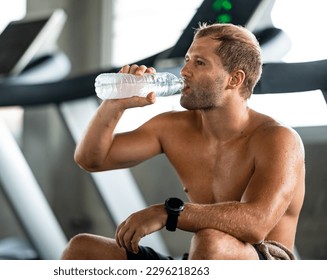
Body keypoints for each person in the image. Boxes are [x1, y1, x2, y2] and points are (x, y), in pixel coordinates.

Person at [61, 23, 305, 260]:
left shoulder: (278, 139)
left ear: (234, 79)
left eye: (199, 63)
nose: (185, 71)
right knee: (81, 249)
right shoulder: (173, 127)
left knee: (210, 241)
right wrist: (114, 104)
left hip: (262, 260)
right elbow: (92, 159)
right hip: (201, 258)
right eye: (188, 60)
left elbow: (256, 225)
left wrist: (167, 213)